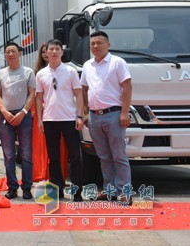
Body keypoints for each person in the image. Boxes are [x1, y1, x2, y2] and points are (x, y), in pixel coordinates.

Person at [81, 31, 133, 204]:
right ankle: (109, 190)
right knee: (103, 157)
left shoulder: (117, 62)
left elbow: (127, 87)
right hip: (95, 117)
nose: (95, 46)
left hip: (114, 115)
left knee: (119, 155)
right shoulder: (87, 65)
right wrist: (85, 112)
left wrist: (124, 112)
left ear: (108, 45)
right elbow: (84, 89)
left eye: (99, 43)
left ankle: (125, 192)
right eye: (92, 44)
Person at [35, 39, 84, 201]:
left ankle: (76, 191)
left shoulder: (70, 71)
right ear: (46, 53)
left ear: (62, 52)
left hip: (69, 118)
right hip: (50, 120)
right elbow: (38, 98)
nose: (54, 52)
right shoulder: (41, 74)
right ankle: (58, 189)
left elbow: (79, 94)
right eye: (51, 49)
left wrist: (80, 116)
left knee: (75, 156)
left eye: (57, 49)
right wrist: (40, 120)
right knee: (53, 157)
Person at [0, 42, 35, 200]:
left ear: (20, 53)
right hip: (6, 116)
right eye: (8, 52)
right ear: (5, 55)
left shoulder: (28, 72)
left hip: (24, 116)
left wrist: (23, 112)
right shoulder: (1, 73)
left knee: (26, 154)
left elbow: (32, 94)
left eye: (13, 51)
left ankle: (27, 188)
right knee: (9, 155)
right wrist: (4, 112)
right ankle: (12, 187)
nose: (10, 54)